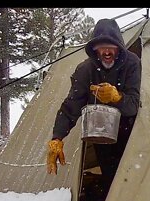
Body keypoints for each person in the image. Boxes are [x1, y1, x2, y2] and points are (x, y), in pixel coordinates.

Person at [47, 18, 141, 178]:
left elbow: (134, 104)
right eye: (101, 48)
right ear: (94, 50)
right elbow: (71, 107)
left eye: (111, 47)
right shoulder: (85, 70)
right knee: (110, 176)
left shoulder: (132, 63)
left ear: (118, 48)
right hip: (100, 133)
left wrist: (117, 98)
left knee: (131, 179)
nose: (106, 52)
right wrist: (57, 137)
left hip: (131, 131)